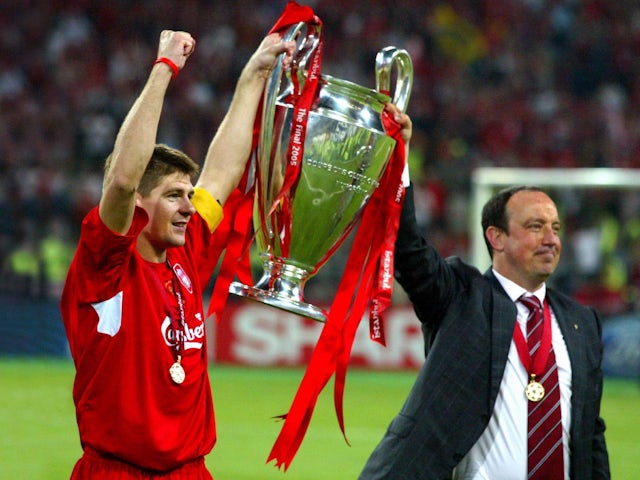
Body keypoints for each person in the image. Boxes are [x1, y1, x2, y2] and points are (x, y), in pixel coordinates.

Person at [60, 29, 294, 479]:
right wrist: (164, 69)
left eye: (188, 195)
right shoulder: (104, 266)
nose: (189, 207)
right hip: (117, 471)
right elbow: (124, 179)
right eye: (173, 196)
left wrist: (253, 77)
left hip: (189, 471)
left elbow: (223, 171)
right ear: (139, 207)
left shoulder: (185, 256)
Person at [359, 104, 610, 479]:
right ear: (497, 238)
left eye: (555, 228)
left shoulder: (580, 322)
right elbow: (407, 248)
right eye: (535, 226)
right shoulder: (460, 296)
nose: (551, 239)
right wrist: (397, 157)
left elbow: (590, 434)